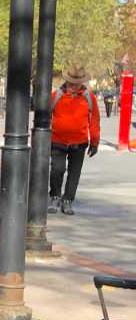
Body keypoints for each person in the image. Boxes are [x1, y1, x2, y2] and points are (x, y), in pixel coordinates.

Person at [48, 66, 101, 216]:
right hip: (57, 140)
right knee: (57, 170)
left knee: (74, 173)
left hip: (79, 142)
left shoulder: (89, 97)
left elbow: (95, 120)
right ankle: (55, 196)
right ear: (66, 81)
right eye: (71, 82)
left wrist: (95, 142)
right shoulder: (56, 95)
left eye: (77, 83)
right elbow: (45, 117)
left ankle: (68, 200)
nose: (74, 86)